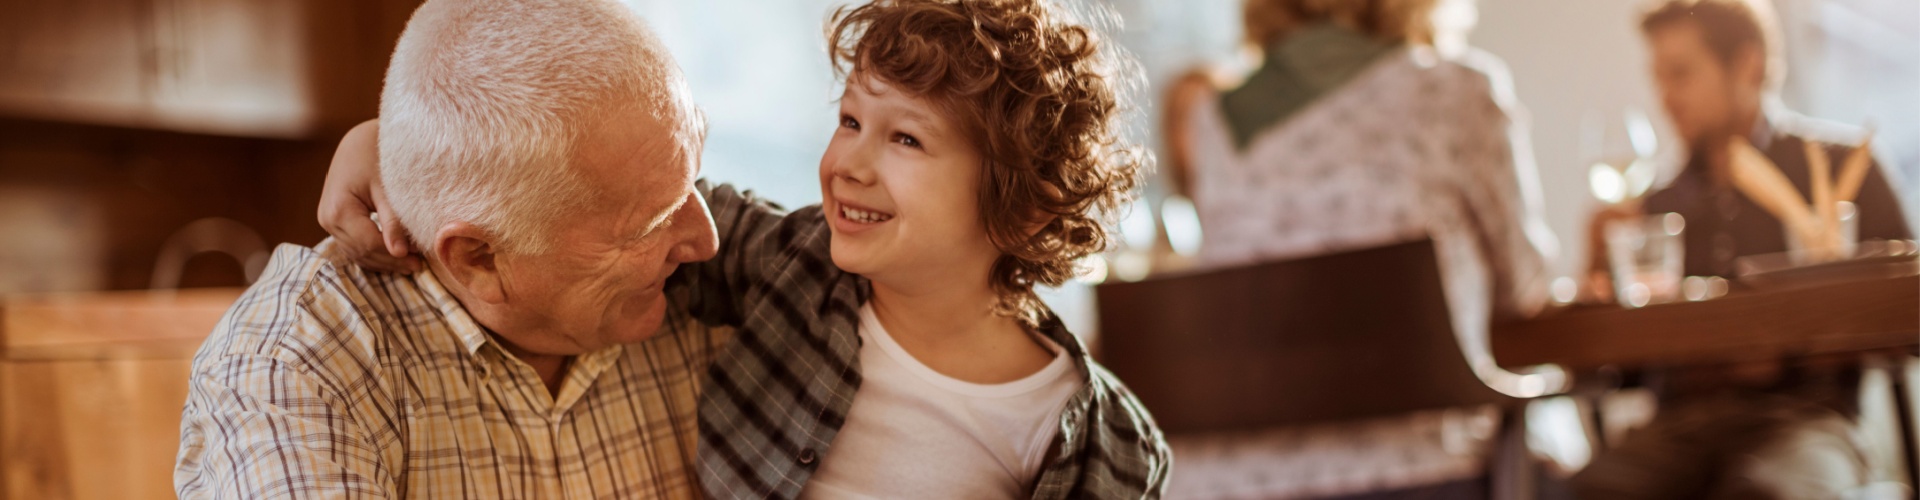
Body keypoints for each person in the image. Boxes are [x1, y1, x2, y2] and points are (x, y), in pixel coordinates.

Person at [317, 0, 1174, 498]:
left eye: (906, 140)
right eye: (849, 120)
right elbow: (599, 219)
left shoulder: (1094, 438)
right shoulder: (784, 260)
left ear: (1023, 209)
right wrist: (380, 146)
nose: (848, 163)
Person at [174, 0, 725, 498]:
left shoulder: (713, 289)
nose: (707, 242)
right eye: (648, 223)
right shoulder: (291, 368)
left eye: (691, 183)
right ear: (477, 259)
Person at [1157, 0, 1563, 496]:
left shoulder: (1212, 119)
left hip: (1230, 482)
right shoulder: (1456, 89)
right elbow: (1524, 288)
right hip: (1418, 467)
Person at [1572, 0, 1912, 497]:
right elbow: (1622, 376)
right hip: (1682, 425)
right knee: (1585, 490)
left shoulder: (1840, 170)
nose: (1665, 97)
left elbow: (1910, 311)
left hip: (1808, 419)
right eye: (1659, 77)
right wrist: (1601, 287)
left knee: (1763, 492)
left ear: (1747, 65)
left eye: (1681, 74)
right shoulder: (1654, 207)